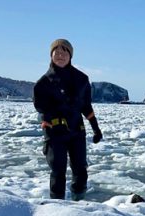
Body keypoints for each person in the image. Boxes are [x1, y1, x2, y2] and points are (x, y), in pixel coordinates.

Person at [33, 38, 103, 201]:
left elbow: (86, 106)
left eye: (64, 51)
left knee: (80, 169)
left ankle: (79, 201)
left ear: (70, 55)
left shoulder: (82, 79)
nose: (60, 55)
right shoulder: (42, 84)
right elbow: (41, 108)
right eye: (56, 51)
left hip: (76, 130)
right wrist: (49, 122)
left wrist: (96, 128)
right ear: (51, 55)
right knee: (58, 170)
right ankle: (58, 207)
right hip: (54, 132)